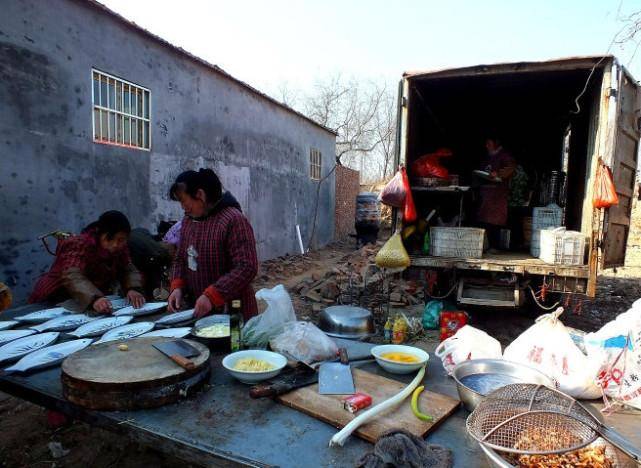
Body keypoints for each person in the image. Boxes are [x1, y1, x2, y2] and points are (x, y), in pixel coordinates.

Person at [167, 168, 258, 320]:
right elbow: (181, 258)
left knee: (235, 343)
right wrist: (177, 287)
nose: (183, 207)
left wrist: (213, 295)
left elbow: (247, 267)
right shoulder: (188, 221)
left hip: (234, 313)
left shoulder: (233, 220)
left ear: (200, 195)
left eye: (183, 200)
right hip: (200, 312)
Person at [29, 211, 145, 314]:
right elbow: (73, 276)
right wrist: (94, 299)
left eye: (124, 240)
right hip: (57, 295)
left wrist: (133, 288)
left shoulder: (119, 248)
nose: (121, 244)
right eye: (119, 240)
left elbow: (128, 268)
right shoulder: (79, 244)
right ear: (104, 236)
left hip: (86, 298)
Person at [477, 137, 516, 249]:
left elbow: (511, 168)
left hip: (497, 195)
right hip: (485, 193)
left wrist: (498, 173)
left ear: (496, 143)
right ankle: (485, 246)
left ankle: (495, 247)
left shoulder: (504, 156)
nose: (487, 146)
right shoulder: (487, 157)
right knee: (484, 219)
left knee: (495, 220)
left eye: (489, 143)